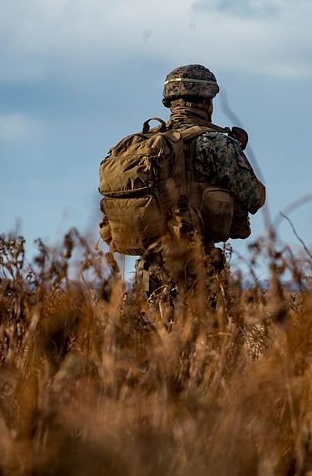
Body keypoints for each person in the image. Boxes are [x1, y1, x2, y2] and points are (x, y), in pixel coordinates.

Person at [98, 64, 265, 301]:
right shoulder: (218, 142)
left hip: (147, 269)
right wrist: (236, 153)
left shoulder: (142, 145)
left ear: (170, 102)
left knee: (150, 335)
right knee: (207, 336)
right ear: (207, 102)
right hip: (198, 268)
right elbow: (253, 198)